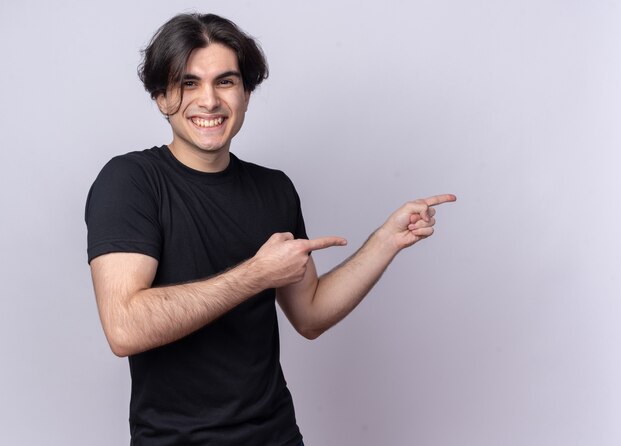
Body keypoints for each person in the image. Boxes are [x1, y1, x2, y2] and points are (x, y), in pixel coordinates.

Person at [85, 12, 456, 446]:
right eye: (189, 83)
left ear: (245, 92)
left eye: (225, 82)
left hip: (275, 435)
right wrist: (256, 275)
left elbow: (311, 314)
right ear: (161, 96)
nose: (209, 101)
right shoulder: (129, 181)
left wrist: (387, 241)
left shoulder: (274, 189)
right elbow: (124, 327)